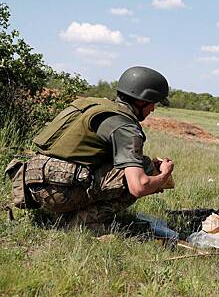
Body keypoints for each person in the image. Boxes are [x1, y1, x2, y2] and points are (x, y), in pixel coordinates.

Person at [5, 66, 174, 233]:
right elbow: (139, 186)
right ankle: (84, 223)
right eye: (152, 103)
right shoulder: (125, 127)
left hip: (32, 182)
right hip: (59, 191)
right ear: (141, 100)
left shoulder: (91, 105)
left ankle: (65, 215)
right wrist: (164, 174)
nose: (153, 109)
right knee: (145, 168)